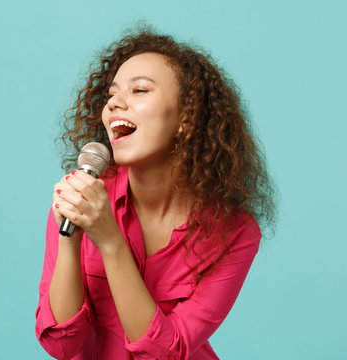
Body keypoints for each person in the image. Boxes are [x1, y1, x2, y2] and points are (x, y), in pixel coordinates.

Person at [35, 28, 276, 360]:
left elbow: (166, 353)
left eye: (139, 90)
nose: (115, 103)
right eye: (112, 94)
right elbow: (61, 344)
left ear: (186, 118)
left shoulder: (235, 232)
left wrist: (109, 240)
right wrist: (69, 238)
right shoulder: (85, 197)